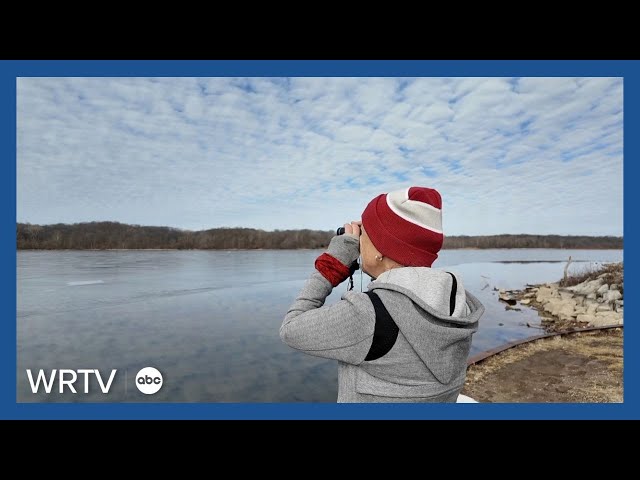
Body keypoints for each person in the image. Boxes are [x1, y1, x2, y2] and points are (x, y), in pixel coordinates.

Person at [280, 186, 484, 402]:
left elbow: (290, 329)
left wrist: (332, 264)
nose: (359, 242)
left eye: (364, 234)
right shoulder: (457, 303)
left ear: (380, 252)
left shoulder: (369, 315)